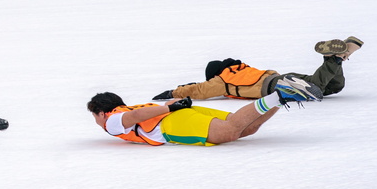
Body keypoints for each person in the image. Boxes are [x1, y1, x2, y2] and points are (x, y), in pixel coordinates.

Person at [87, 78, 323, 148]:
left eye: (94, 116)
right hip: (181, 112)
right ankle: (283, 98)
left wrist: (170, 108)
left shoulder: (112, 120)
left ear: (101, 111)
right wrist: (174, 104)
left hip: (172, 124)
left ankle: (278, 95)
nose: (96, 121)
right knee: (244, 127)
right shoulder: (130, 107)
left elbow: (134, 119)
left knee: (229, 132)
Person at [152, 38, 364, 101]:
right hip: (282, 78)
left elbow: (198, 90)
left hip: (279, 86)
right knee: (333, 87)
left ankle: (332, 57)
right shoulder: (240, 69)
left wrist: (172, 93)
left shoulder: (222, 80)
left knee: (316, 87)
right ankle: (338, 57)